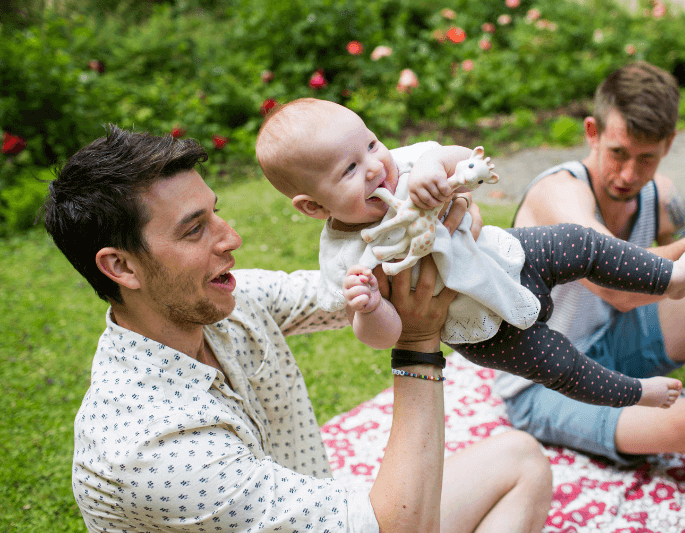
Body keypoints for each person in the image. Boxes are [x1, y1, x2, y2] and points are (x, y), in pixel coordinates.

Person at [44, 125, 554, 533]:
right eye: (195, 229)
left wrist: (435, 227)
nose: (232, 238)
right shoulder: (152, 451)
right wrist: (418, 346)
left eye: (216, 214)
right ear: (122, 267)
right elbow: (401, 527)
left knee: (521, 461)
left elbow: (354, 289)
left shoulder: (223, 304)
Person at [255, 97, 685, 412]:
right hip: (480, 328)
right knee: (561, 366)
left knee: (582, 243)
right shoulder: (346, 262)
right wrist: (369, 308)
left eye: (372, 143)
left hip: (509, 255)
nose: (377, 165)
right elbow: (384, 337)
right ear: (314, 207)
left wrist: (439, 165)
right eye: (351, 168)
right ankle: (636, 394)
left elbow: (460, 156)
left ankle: (670, 277)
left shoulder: (409, 164)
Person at [495, 60, 685, 504]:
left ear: (669, 144)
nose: (628, 175)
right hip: (545, 382)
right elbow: (617, 287)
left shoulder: (663, 198)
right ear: (592, 133)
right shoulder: (558, 194)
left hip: (612, 346)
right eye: (618, 153)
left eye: (646, 159)